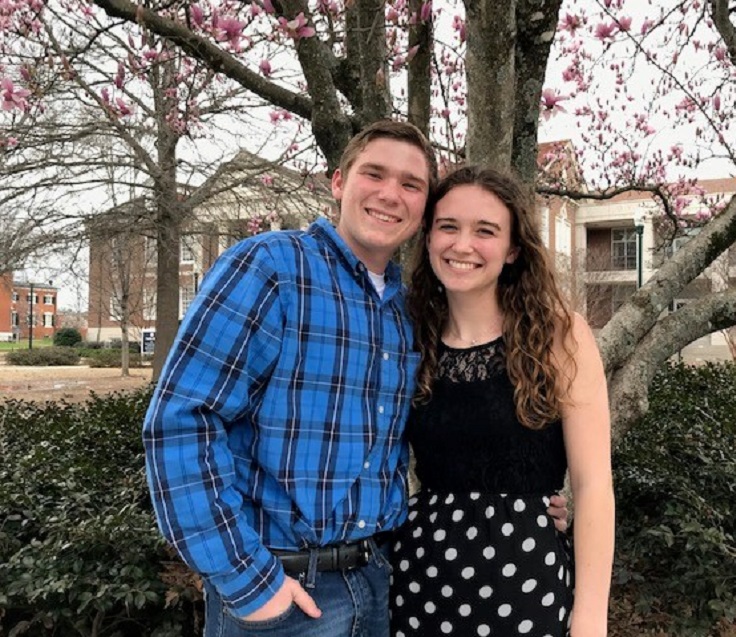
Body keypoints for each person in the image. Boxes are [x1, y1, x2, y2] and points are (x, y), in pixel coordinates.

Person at [143, 121, 570, 637]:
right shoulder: (271, 268)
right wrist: (247, 581)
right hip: (284, 591)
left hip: (385, 581)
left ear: (422, 211)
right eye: (375, 174)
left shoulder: (408, 315)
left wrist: (519, 494)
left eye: (411, 185)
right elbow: (181, 420)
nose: (391, 194)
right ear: (339, 181)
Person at [390, 166, 615, 637]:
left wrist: (591, 618)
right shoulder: (410, 336)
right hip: (423, 581)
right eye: (448, 226)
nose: (463, 244)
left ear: (513, 249)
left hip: (528, 581)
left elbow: (593, 484)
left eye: (485, 231)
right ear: (428, 237)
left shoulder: (559, 334)